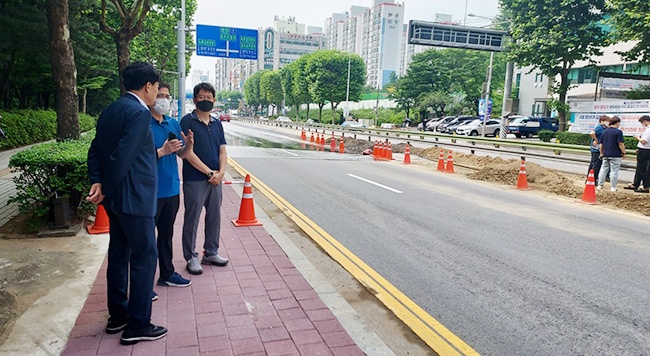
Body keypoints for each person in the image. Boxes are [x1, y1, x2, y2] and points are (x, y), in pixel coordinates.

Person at [86, 62, 167, 345]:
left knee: (119, 255)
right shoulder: (138, 113)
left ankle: (117, 316)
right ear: (148, 86)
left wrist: (97, 181)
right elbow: (123, 156)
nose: (158, 93)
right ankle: (137, 325)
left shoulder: (111, 110)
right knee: (145, 257)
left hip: (117, 201)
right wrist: (105, 188)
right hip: (135, 198)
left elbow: (95, 149)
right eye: (157, 88)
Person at [149, 82, 209, 288]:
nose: (163, 100)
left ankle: (166, 274)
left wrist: (188, 146)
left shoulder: (172, 124)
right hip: (149, 191)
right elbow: (135, 156)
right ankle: (143, 286)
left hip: (171, 189)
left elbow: (181, 154)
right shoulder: (141, 123)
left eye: (166, 96)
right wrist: (161, 151)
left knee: (166, 236)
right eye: (160, 95)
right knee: (145, 241)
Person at [180, 82, 229, 275]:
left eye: (209, 97)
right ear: (194, 99)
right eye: (201, 97)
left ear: (214, 99)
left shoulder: (217, 123)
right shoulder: (187, 121)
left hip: (216, 179)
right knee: (192, 218)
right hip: (195, 179)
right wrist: (209, 172)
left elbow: (222, 150)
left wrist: (221, 173)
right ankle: (190, 256)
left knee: (214, 216)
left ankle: (211, 252)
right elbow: (186, 153)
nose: (206, 100)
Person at [597, 116, 626, 192]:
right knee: (614, 171)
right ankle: (613, 187)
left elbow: (601, 144)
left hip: (605, 154)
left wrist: (601, 152)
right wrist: (624, 152)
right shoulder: (618, 132)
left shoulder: (605, 131)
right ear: (617, 123)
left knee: (603, 169)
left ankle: (600, 185)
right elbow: (620, 143)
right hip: (615, 154)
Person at [631, 115, 650, 193]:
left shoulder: (648, 130)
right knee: (639, 168)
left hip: (644, 150)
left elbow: (644, 141)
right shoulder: (647, 129)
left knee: (642, 169)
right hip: (644, 149)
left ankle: (646, 187)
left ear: (645, 121)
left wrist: (637, 137)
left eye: (642, 122)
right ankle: (636, 184)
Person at [587, 115, 609, 181]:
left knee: (593, 164)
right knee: (596, 165)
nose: (608, 123)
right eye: (607, 121)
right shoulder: (599, 127)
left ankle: (590, 178)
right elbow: (592, 133)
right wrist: (596, 140)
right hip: (596, 149)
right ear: (602, 121)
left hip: (597, 149)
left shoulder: (604, 128)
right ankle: (593, 179)